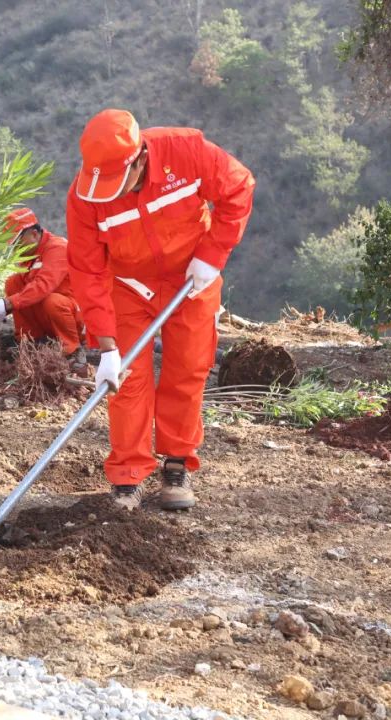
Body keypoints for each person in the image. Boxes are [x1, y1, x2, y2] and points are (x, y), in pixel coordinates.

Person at [66, 109, 255, 510]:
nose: (110, 194)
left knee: (187, 368)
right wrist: (106, 344)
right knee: (127, 379)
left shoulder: (185, 152)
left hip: (191, 278)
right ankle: (128, 476)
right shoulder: (85, 195)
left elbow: (238, 188)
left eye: (119, 183)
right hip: (127, 286)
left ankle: (176, 464)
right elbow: (86, 269)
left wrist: (213, 253)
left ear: (138, 160)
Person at [0, 208, 88, 371]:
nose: (15, 248)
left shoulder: (58, 249)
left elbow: (43, 286)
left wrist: (6, 304)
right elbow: (24, 290)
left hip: (76, 316)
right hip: (51, 317)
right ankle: (29, 344)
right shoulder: (30, 254)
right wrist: (1, 309)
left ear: (34, 234)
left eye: (17, 242)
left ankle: (72, 351)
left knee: (53, 301)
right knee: (13, 284)